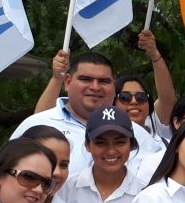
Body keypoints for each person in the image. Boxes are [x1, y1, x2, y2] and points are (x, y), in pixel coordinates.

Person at [12, 50, 163, 171]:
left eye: (104, 81)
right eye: (86, 79)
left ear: (113, 86)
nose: (95, 87)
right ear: (68, 82)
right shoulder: (37, 124)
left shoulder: (139, 135)